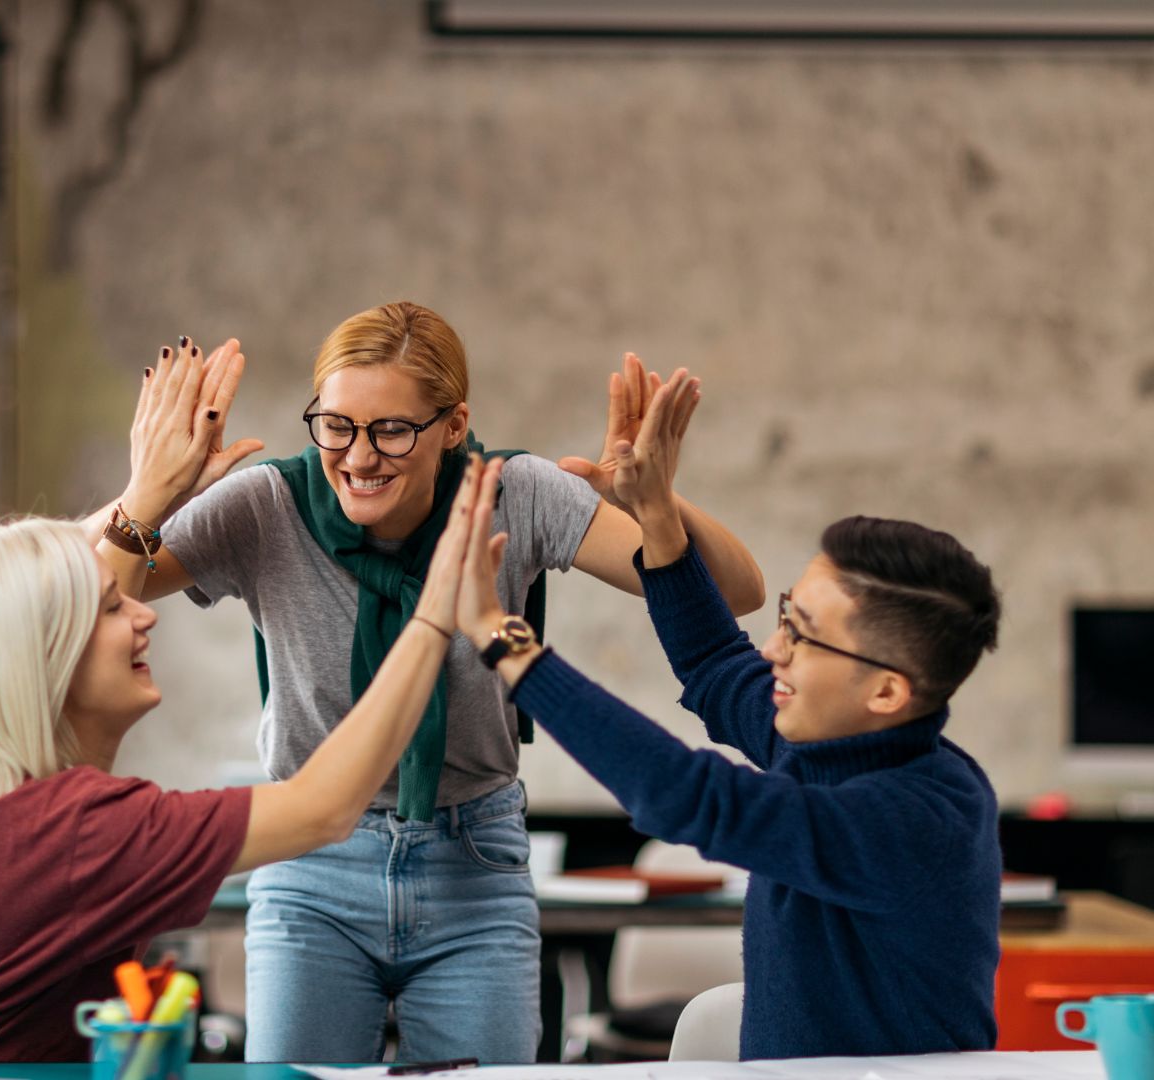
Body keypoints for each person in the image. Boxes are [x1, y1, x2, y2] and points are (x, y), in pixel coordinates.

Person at [92, 307, 766, 1063]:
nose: (358, 455)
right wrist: (148, 492)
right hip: (313, 867)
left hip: (472, 865)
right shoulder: (268, 505)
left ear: (452, 424)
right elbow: (91, 591)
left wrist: (652, 504)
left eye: (392, 429)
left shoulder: (516, 494)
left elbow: (735, 595)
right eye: (336, 425)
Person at [0, 407, 509, 1062]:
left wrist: (149, 497)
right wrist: (433, 614)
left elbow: (5, 600)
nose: (144, 613)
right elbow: (324, 808)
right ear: (45, 658)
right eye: (113, 608)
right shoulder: (78, 830)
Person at [455, 364, 1004, 1060]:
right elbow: (716, 662)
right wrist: (655, 512)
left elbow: (690, 797)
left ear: (887, 691)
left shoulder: (922, 818)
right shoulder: (820, 746)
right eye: (785, 617)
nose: (774, 649)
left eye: (803, 634)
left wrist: (508, 644)